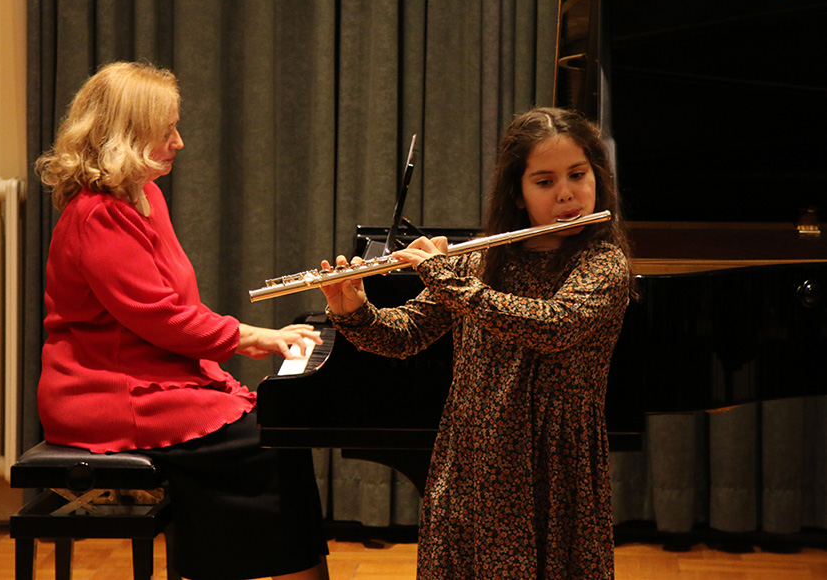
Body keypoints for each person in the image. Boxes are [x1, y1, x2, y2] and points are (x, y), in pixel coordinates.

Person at [35, 61, 330, 580]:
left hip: (148, 379)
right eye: (166, 129)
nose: (179, 141)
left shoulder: (143, 196)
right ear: (128, 135)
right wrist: (249, 335)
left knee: (279, 435)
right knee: (266, 443)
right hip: (104, 392)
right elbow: (159, 317)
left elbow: (172, 307)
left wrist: (239, 336)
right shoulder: (98, 213)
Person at [319, 107, 635, 579]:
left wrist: (444, 277)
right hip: (475, 451)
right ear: (519, 193)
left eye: (578, 174)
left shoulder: (603, 263)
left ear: (597, 177)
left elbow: (552, 325)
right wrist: (352, 309)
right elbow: (404, 335)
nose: (567, 193)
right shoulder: (485, 258)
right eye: (545, 182)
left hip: (552, 458)